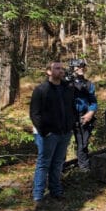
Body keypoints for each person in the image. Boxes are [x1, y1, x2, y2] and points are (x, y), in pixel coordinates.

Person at [30, 61, 76, 203]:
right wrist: (45, 132)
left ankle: (56, 191)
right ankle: (38, 195)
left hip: (64, 133)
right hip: (48, 134)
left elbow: (71, 109)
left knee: (57, 163)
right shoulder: (41, 90)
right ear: (48, 72)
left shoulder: (67, 89)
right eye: (57, 68)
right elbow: (34, 114)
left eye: (62, 68)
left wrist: (70, 127)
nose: (60, 71)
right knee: (43, 164)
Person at [68, 58, 98, 172]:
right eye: (77, 66)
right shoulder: (66, 83)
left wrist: (90, 113)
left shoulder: (89, 84)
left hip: (83, 117)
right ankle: (58, 169)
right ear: (72, 68)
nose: (80, 68)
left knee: (83, 144)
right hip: (68, 117)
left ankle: (84, 168)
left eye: (82, 67)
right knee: (61, 144)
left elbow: (93, 101)